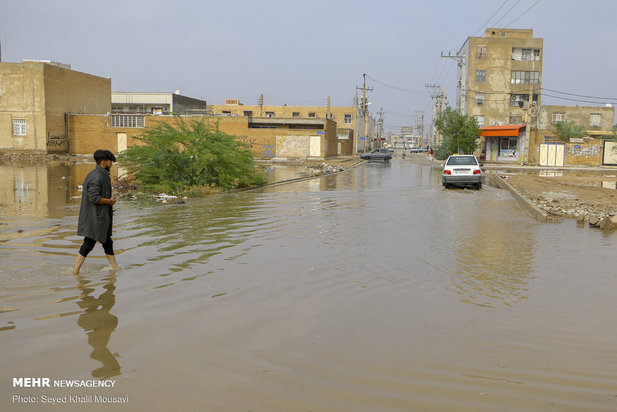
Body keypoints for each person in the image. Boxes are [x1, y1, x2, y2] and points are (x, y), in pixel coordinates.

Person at [73, 150, 119, 274]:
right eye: (110, 162)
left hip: (100, 216)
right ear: (104, 162)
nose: (112, 164)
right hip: (95, 217)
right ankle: (75, 272)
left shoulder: (99, 174)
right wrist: (109, 201)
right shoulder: (97, 176)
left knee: (107, 242)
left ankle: (115, 268)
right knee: (89, 243)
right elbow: (94, 198)